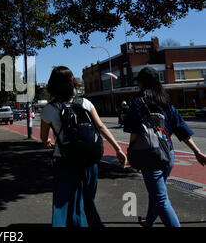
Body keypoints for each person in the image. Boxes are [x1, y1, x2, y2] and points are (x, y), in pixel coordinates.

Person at [40, 66, 127, 227]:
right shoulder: (85, 103)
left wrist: (48, 141)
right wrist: (118, 149)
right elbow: (100, 127)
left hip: (64, 160)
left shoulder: (49, 109)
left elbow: (43, 137)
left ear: (52, 84)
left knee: (63, 201)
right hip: (89, 159)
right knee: (87, 198)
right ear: (72, 82)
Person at [123, 67, 206, 227]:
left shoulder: (139, 102)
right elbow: (181, 129)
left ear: (142, 83)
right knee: (157, 193)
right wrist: (197, 152)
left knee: (160, 198)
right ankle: (149, 222)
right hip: (168, 153)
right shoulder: (165, 101)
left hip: (149, 155)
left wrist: (131, 152)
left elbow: (134, 133)